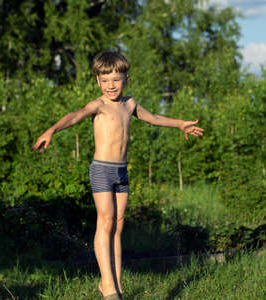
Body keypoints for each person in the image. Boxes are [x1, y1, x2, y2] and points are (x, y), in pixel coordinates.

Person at [31, 51, 204, 300]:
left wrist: (180, 124)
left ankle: (116, 286)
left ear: (126, 79)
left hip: (121, 171)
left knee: (118, 226)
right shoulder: (98, 105)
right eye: (105, 80)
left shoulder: (130, 104)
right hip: (101, 169)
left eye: (116, 79)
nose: (110, 85)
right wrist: (52, 130)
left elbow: (153, 118)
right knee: (106, 221)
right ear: (98, 82)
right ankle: (108, 287)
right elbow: (75, 116)